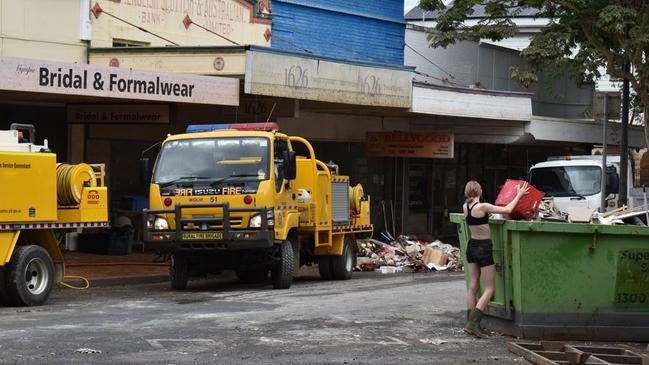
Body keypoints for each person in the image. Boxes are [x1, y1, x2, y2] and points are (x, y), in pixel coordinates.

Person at [462, 180, 528, 338]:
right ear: (479, 191)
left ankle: (469, 322)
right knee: (490, 288)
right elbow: (508, 209)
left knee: (473, 286)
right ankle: (473, 324)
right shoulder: (483, 206)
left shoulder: (465, 207)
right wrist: (518, 194)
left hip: (471, 246)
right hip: (483, 247)